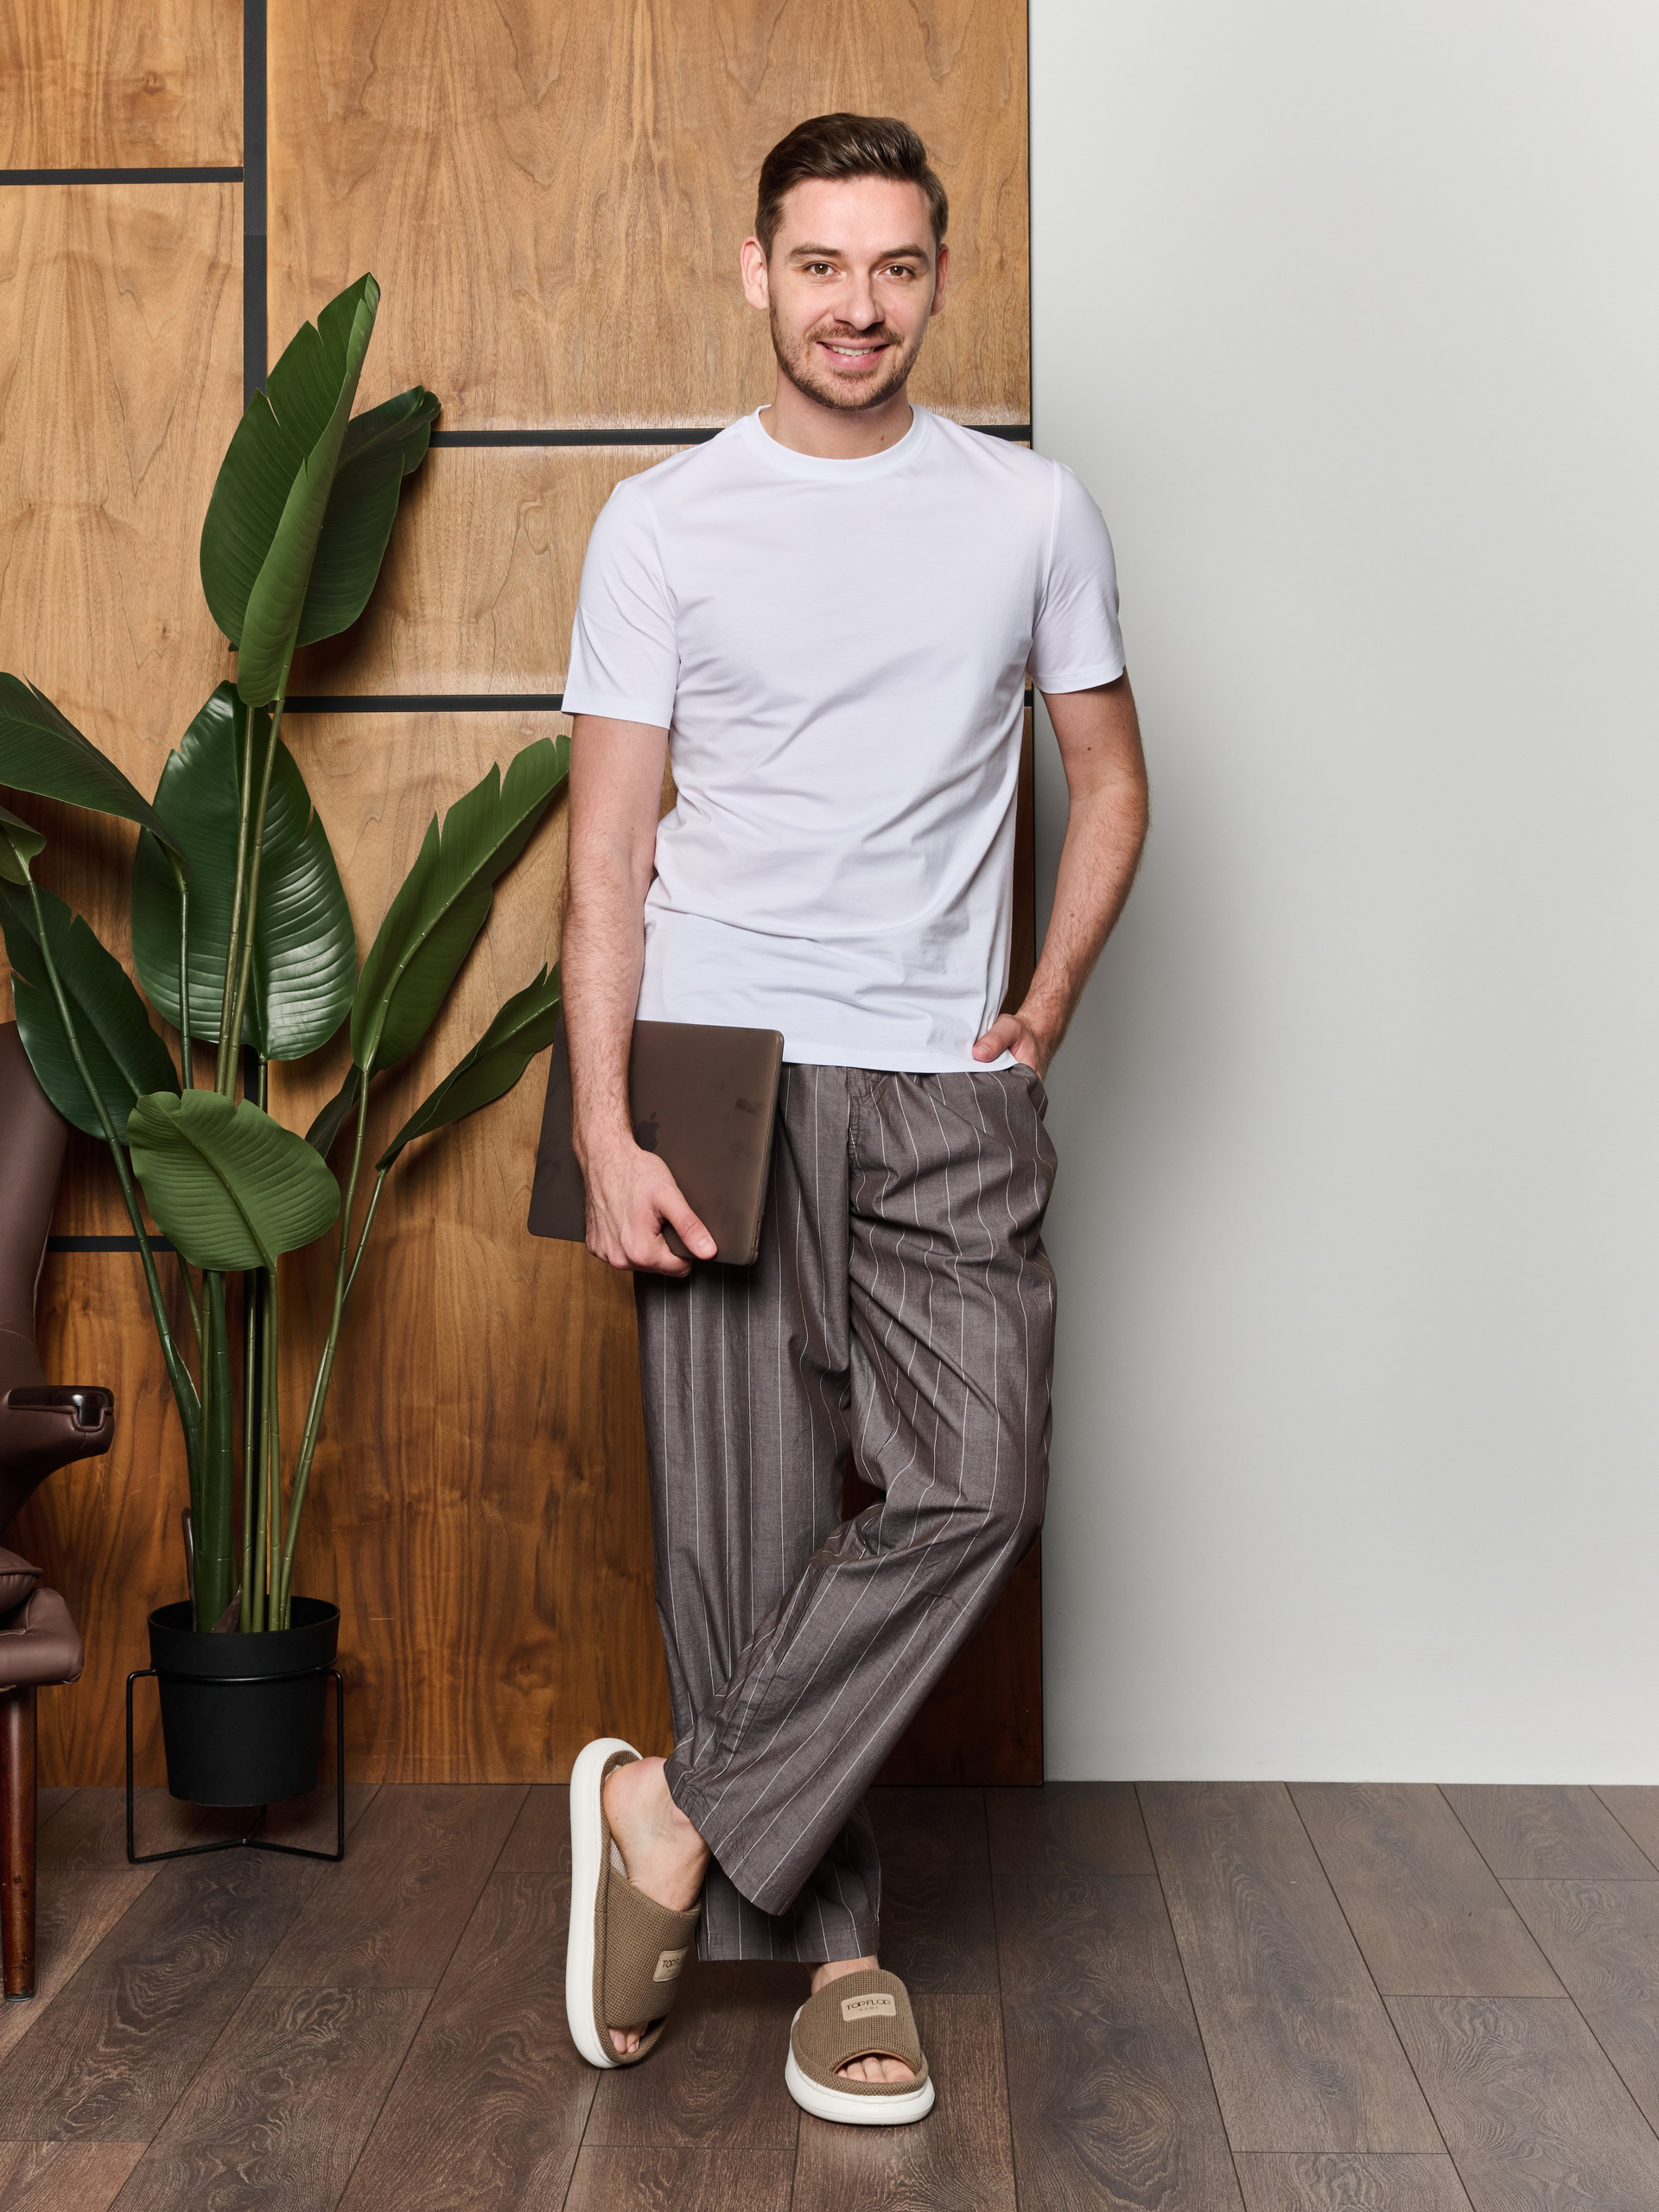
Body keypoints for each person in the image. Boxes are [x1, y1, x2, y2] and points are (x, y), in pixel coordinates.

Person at [558, 111, 1147, 2124]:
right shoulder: (662, 524)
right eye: (820, 263)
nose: (857, 305)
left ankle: (667, 1808)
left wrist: (1048, 998)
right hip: (715, 1061)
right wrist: (607, 1121)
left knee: (974, 1477)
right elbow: (607, 850)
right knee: (740, 1529)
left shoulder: (1030, 513)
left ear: (940, 280)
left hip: (944, 1073)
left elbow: (1112, 778)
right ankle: (838, 1956)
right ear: (759, 271)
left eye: (896, 266)